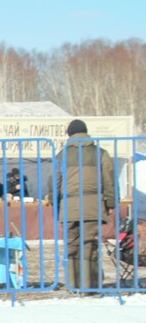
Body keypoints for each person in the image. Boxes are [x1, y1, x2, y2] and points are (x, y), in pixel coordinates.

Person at [54, 119, 115, 292]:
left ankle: (74, 284)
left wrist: (56, 202)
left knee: (72, 245)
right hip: (93, 207)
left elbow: (54, 182)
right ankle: (90, 285)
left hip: (69, 207)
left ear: (69, 135)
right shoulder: (101, 153)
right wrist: (110, 202)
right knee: (89, 244)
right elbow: (109, 181)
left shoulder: (61, 155)